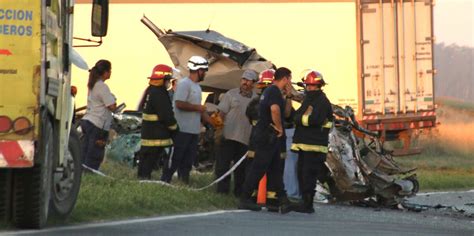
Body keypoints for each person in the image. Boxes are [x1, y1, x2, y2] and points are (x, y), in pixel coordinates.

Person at [239, 67, 294, 214]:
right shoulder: (274, 92)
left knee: (275, 170)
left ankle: (282, 201)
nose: (291, 82)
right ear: (285, 79)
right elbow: (275, 110)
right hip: (267, 136)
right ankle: (244, 199)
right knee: (259, 168)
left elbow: (287, 113)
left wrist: (289, 96)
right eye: (290, 79)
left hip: (271, 138)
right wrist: (279, 128)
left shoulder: (273, 92)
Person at [161, 55, 212, 184]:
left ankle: (183, 183)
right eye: (204, 71)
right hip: (181, 130)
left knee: (187, 161)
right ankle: (165, 182)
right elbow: (179, 103)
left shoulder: (198, 88)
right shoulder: (184, 84)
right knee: (175, 158)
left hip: (193, 131)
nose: (204, 74)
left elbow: (200, 110)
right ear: (198, 70)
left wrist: (212, 122)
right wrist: (197, 108)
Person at [291, 70, 334, 213]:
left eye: (310, 86)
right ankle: (304, 201)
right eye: (307, 86)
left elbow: (314, 119)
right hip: (306, 145)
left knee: (308, 175)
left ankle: (307, 205)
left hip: (314, 147)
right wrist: (300, 117)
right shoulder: (310, 99)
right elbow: (298, 115)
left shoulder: (321, 101)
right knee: (302, 173)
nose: (308, 88)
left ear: (318, 86)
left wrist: (299, 119)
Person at [215, 69, 258, 196]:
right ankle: (222, 192)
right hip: (228, 136)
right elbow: (221, 113)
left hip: (245, 139)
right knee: (223, 166)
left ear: (254, 83)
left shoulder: (256, 99)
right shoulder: (231, 94)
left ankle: (239, 194)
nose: (245, 82)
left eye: (249, 80)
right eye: (244, 79)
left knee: (241, 169)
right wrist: (218, 131)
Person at [137, 64, 178, 179]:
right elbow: (166, 115)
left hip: (148, 133)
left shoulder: (150, 90)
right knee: (150, 161)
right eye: (167, 80)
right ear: (163, 79)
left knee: (145, 161)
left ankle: (141, 180)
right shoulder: (160, 93)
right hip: (156, 135)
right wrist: (174, 128)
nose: (168, 83)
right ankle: (145, 181)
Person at [81, 59, 116, 171]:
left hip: (88, 120)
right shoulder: (102, 86)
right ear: (105, 72)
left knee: (85, 151)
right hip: (98, 124)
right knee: (95, 153)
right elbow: (112, 106)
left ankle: (82, 173)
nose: (111, 73)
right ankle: (91, 173)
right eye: (110, 70)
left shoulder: (93, 84)